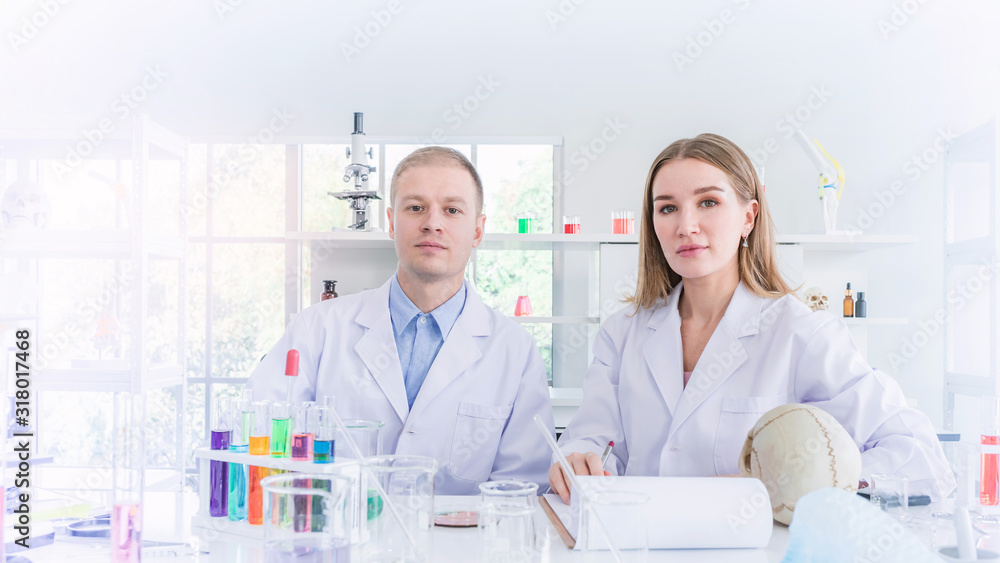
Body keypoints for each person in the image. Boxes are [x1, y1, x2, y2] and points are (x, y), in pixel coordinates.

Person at [550, 133, 955, 503]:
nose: (685, 226)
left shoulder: (802, 333)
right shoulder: (622, 333)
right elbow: (590, 440)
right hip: (638, 542)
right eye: (668, 208)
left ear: (749, 217)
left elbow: (920, 457)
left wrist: (797, 481)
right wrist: (577, 459)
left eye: (708, 202)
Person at [247, 146, 555, 494]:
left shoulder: (515, 350)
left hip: (463, 531)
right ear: (392, 223)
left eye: (452, 210)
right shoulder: (317, 329)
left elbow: (520, 488)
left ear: (477, 231)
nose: (432, 223)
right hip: (339, 527)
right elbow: (258, 442)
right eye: (416, 207)